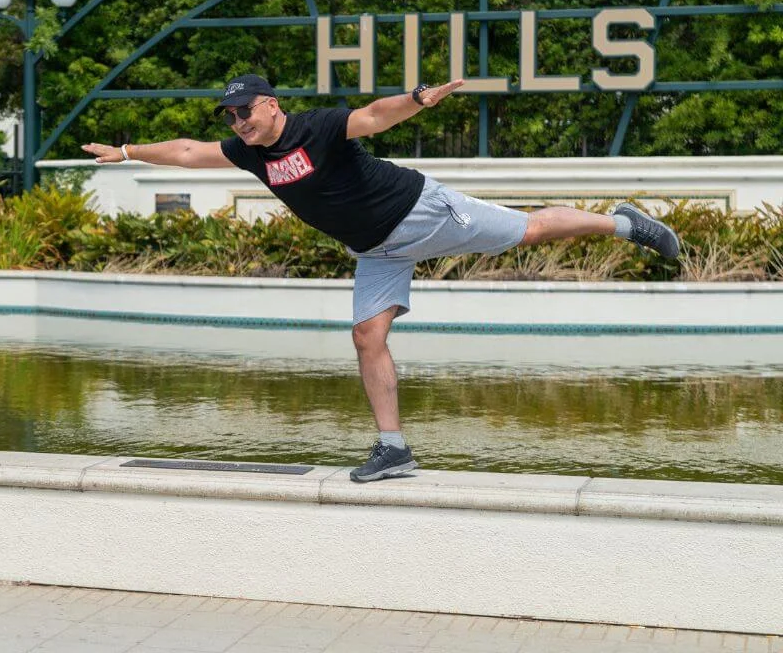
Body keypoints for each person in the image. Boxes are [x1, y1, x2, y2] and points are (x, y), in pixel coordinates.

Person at [82, 74, 680, 482]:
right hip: (375, 249)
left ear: (270, 104)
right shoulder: (248, 153)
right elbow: (188, 151)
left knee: (527, 231)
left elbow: (372, 117)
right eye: (230, 115)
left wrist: (417, 99)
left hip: (420, 209)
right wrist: (128, 151)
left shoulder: (316, 127)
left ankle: (621, 223)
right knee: (367, 336)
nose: (237, 122)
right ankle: (393, 449)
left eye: (245, 111)